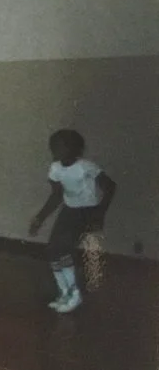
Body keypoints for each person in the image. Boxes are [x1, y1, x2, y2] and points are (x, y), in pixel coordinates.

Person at [27, 129, 116, 313]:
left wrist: (100, 213)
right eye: (55, 147)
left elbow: (110, 186)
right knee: (53, 250)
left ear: (76, 149)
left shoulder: (85, 166)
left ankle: (75, 295)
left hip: (86, 211)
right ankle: (64, 292)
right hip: (69, 210)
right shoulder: (55, 169)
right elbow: (56, 196)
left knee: (64, 249)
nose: (59, 150)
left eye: (64, 146)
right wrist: (40, 218)